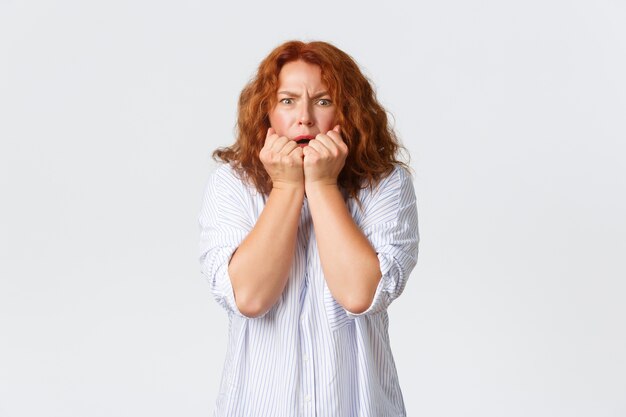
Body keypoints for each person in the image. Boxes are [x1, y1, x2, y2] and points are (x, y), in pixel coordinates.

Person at [198, 40, 419, 417]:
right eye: (287, 101)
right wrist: (286, 187)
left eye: (322, 100)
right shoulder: (232, 184)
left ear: (346, 110)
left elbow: (360, 295)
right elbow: (248, 298)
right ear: (267, 112)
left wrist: (321, 185)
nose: (304, 117)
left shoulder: (387, 183)